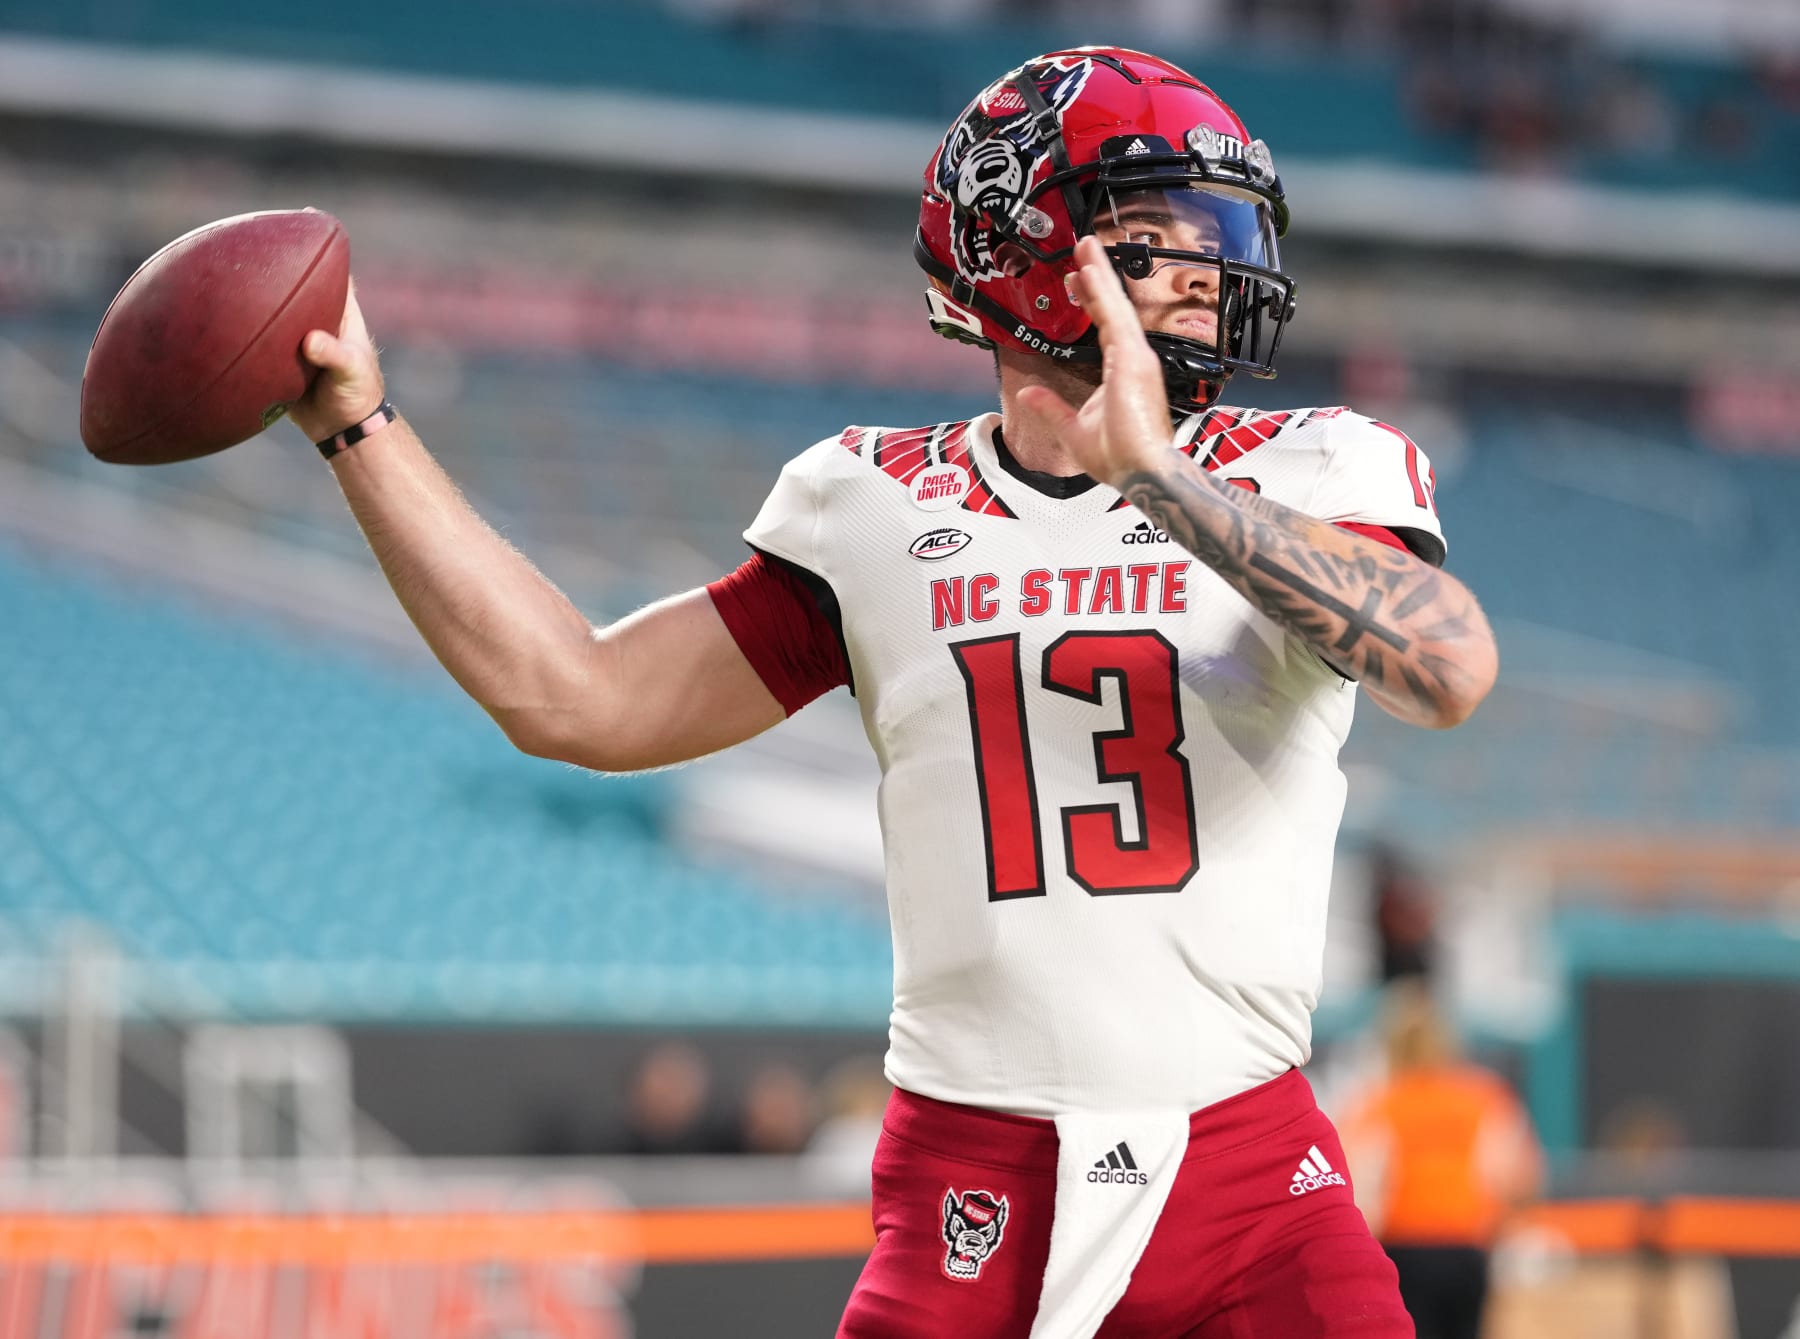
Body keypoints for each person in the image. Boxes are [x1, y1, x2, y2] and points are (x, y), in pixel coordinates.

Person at [286, 45, 1497, 1339]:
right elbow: (578, 696)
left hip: (1251, 1175)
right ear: (1023, 252)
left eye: (1219, 227)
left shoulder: (1306, 463)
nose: (1210, 266)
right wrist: (359, 426)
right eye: (1156, 232)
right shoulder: (874, 502)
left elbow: (1450, 667)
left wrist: (1166, 482)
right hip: (973, 1184)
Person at [1340, 985, 1543, 1339]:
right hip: (1466, 1250)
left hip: (1403, 1251)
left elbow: (1358, 1184)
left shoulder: (1379, 1104)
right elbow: (1520, 1177)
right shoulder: (1483, 1097)